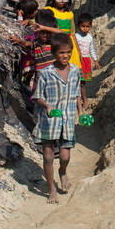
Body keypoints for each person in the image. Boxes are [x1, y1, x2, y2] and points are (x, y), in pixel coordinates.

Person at [33, 36, 85, 203]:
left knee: (64, 156)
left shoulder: (76, 70)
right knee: (48, 156)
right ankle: (51, 189)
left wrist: (81, 111)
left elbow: (77, 93)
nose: (65, 56)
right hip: (49, 121)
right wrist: (47, 106)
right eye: (62, 53)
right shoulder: (45, 73)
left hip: (68, 120)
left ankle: (62, 171)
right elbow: (37, 97)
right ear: (54, 53)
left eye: (68, 52)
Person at [75, 14, 96, 81]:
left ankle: (83, 91)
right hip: (78, 60)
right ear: (78, 26)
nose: (85, 28)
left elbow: (92, 49)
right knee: (78, 80)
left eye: (87, 26)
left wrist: (95, 60)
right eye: (83, 26)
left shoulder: (90, 37)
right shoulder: (76, 36)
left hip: (87, 60)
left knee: (84, 81)